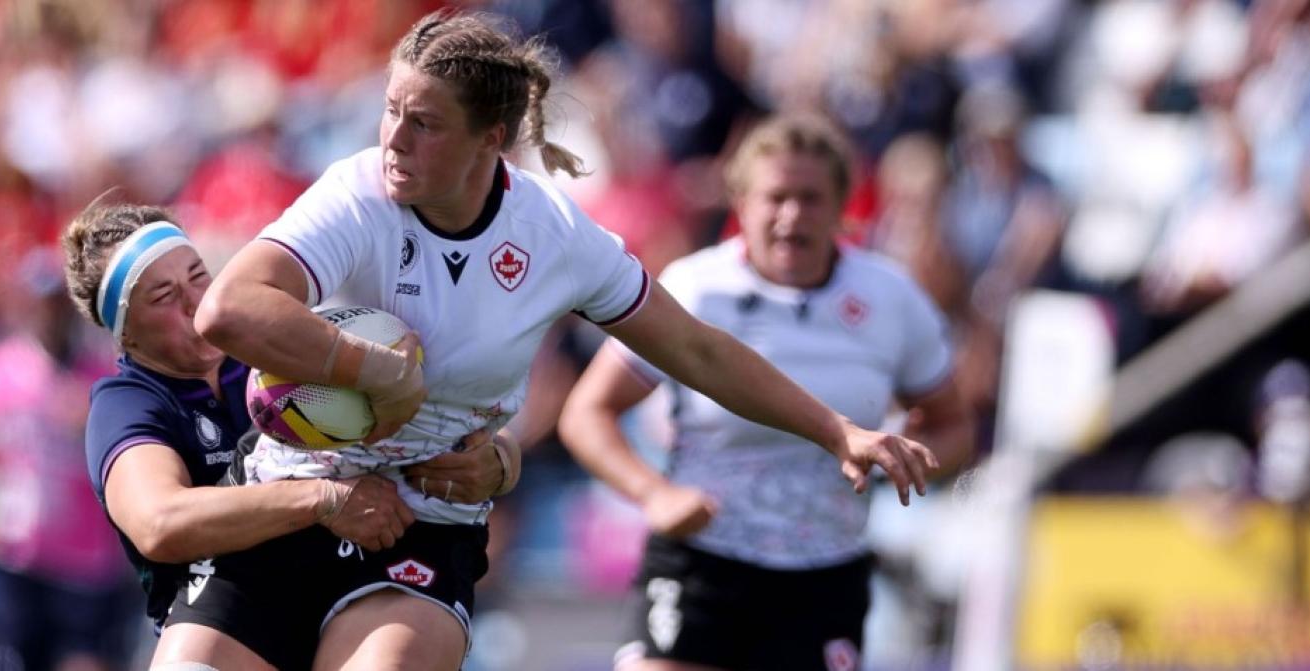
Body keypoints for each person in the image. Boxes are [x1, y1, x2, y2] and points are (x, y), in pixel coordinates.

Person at [193, 10, 940, 671]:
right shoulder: (356, 194)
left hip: (422, 529)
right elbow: (229, 309)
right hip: (289, 495)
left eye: (424, 122)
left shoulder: (554, 235)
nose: (393, 138)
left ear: (492, 138)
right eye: (391, 110)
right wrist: (374, 371)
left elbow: (698, 350)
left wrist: (835, 429)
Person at [557, 114, 973, 671]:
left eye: (811, 198)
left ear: (844, 205)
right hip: (704, 559)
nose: (791, 216)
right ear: (741, 202)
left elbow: (955, 426)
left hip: (824, 573)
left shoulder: (889, 298)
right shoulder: (697, 288)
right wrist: (653, 494)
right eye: (775, 197)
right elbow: (587, 412)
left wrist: (907, 460)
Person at [60, 200, 424, 670]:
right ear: (126, 334)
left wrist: (494, 460)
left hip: (345, 593)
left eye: (198, 276)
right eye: (163, 296)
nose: (196, 303)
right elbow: (160, 523)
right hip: (227, 621)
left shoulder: (272, 352)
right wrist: (325, 500)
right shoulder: (126, 404)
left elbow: (420, 419)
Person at [0, 249, 137, 671]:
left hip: (87, 565)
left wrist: (91, 426)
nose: (48, 315)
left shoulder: (101, 378)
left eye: (56, 304)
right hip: (17, 558)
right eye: (39, 303)